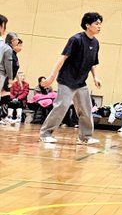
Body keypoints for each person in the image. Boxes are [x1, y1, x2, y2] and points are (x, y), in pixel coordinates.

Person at [40, 12, 104, 145]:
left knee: (86, 110)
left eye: (100, 24)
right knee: (61, 106)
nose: (99, 26)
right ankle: (45, 134)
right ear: (87, 25)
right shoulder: (76, 39)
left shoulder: (96, 43)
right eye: (96, 23)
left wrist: (95, 77)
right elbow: (63, 58)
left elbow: (93, 63)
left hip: (81, 83)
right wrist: (52, 77)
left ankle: (85, 137)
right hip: (67, 81)